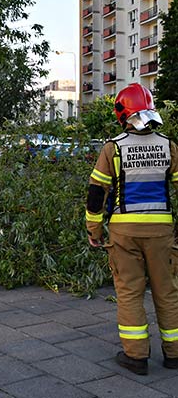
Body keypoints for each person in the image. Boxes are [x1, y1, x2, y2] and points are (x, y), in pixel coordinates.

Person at [85, 83, 178, 376]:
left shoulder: (113, 148)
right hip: (162, 232)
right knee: (167, 292)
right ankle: (174, 353)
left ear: (121, 113)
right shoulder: (169, 146)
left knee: (129, 292)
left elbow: (96, 194)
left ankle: (136, 356)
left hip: (124, 233)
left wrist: (94, 229)